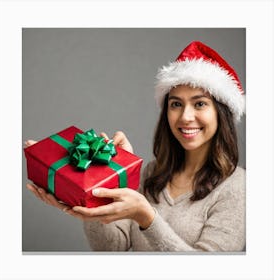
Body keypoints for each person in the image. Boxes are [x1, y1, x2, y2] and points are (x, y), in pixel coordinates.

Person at [26, 41, 246, 252]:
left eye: (200, 104)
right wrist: (96, 184)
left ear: (221, 113)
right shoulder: (152, 173)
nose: (186, 116)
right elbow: (111, 248)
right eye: (176, 104)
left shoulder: (239, 188)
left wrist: (147, 218)